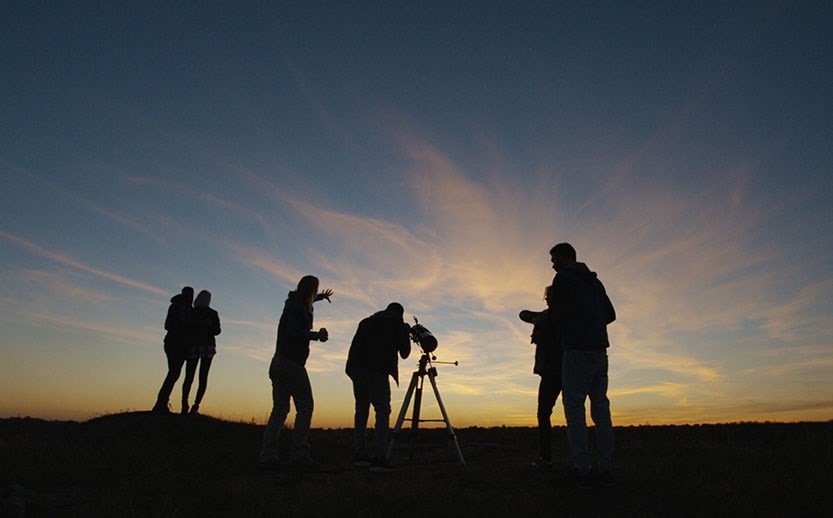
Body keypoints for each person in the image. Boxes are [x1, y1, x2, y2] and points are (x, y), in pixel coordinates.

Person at [547, 243, 616, 488]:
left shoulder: (563, 278)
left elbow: (555, 315)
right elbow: (610, 315)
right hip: (599, 350)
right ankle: (606, 466)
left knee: (574, 408)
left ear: (566, 257)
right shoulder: (595, 283)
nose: (553, 264)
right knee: (601, 409)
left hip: (576, 350)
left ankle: (582, 468)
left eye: (555, 259)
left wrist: (549, 320)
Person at [258, 276, 333, 471]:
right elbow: (293, 332)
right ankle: (299, 454)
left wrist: (319, 298)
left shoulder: (293, 303)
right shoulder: (297, 309)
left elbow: (302, 302)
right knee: (305, 407)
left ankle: (268, 456)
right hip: (292, 364)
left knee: (280, 410)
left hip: (279, 362)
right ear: (311, 290)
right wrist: (316, 335)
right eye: (315, 291)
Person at [345, 302, 412, 472]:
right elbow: (405, 353)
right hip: (376, 371)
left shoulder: (367, 321)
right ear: (400, 314)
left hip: (356, 369)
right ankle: (378, 456)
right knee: (382, 410)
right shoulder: (397, 325)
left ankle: (360, 455)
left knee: (361, 411)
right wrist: (405, 332)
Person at [519, 285, 562, 470]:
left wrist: (538, 320)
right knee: (572, 413)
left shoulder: (548, 317)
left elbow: (524, 314)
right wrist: (537, 318)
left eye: (549, 297)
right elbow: (523, 314)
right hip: (563, 370)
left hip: (553, 372)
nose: (548, 300)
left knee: (544, 414)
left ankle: (546, 458)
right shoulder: (549, 316)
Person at [152, 286, 194, 414]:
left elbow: (167, 325)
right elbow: (186, 323)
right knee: (174, 373)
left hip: (170, 342)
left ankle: (161, 403)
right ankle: (161, 404)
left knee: (173, 373)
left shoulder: (174, 306)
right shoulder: (184, 306)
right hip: (178, 344)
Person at [181, 290, 221, 415]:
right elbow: (217, 331)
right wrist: (208, 325)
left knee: (189, 376)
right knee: (203, 377)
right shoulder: (213, 313)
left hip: (193, 346)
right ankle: (195, 405)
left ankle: (184, 404)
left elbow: (186, 327)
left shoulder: (192, 312)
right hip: (208, 347)